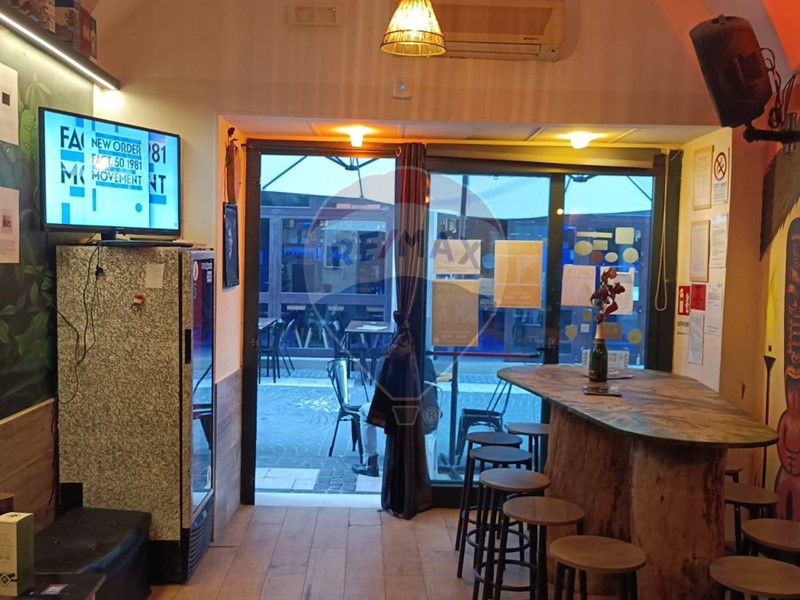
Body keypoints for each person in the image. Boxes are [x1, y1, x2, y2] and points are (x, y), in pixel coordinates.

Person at [353, 355, 439, 477]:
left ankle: (370, 463)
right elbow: (435, 394)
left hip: (397, 419)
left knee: (363, 411)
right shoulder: (427, 361)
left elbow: (380, 396)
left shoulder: (384, 361)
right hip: (426, 419)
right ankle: (427, 469)